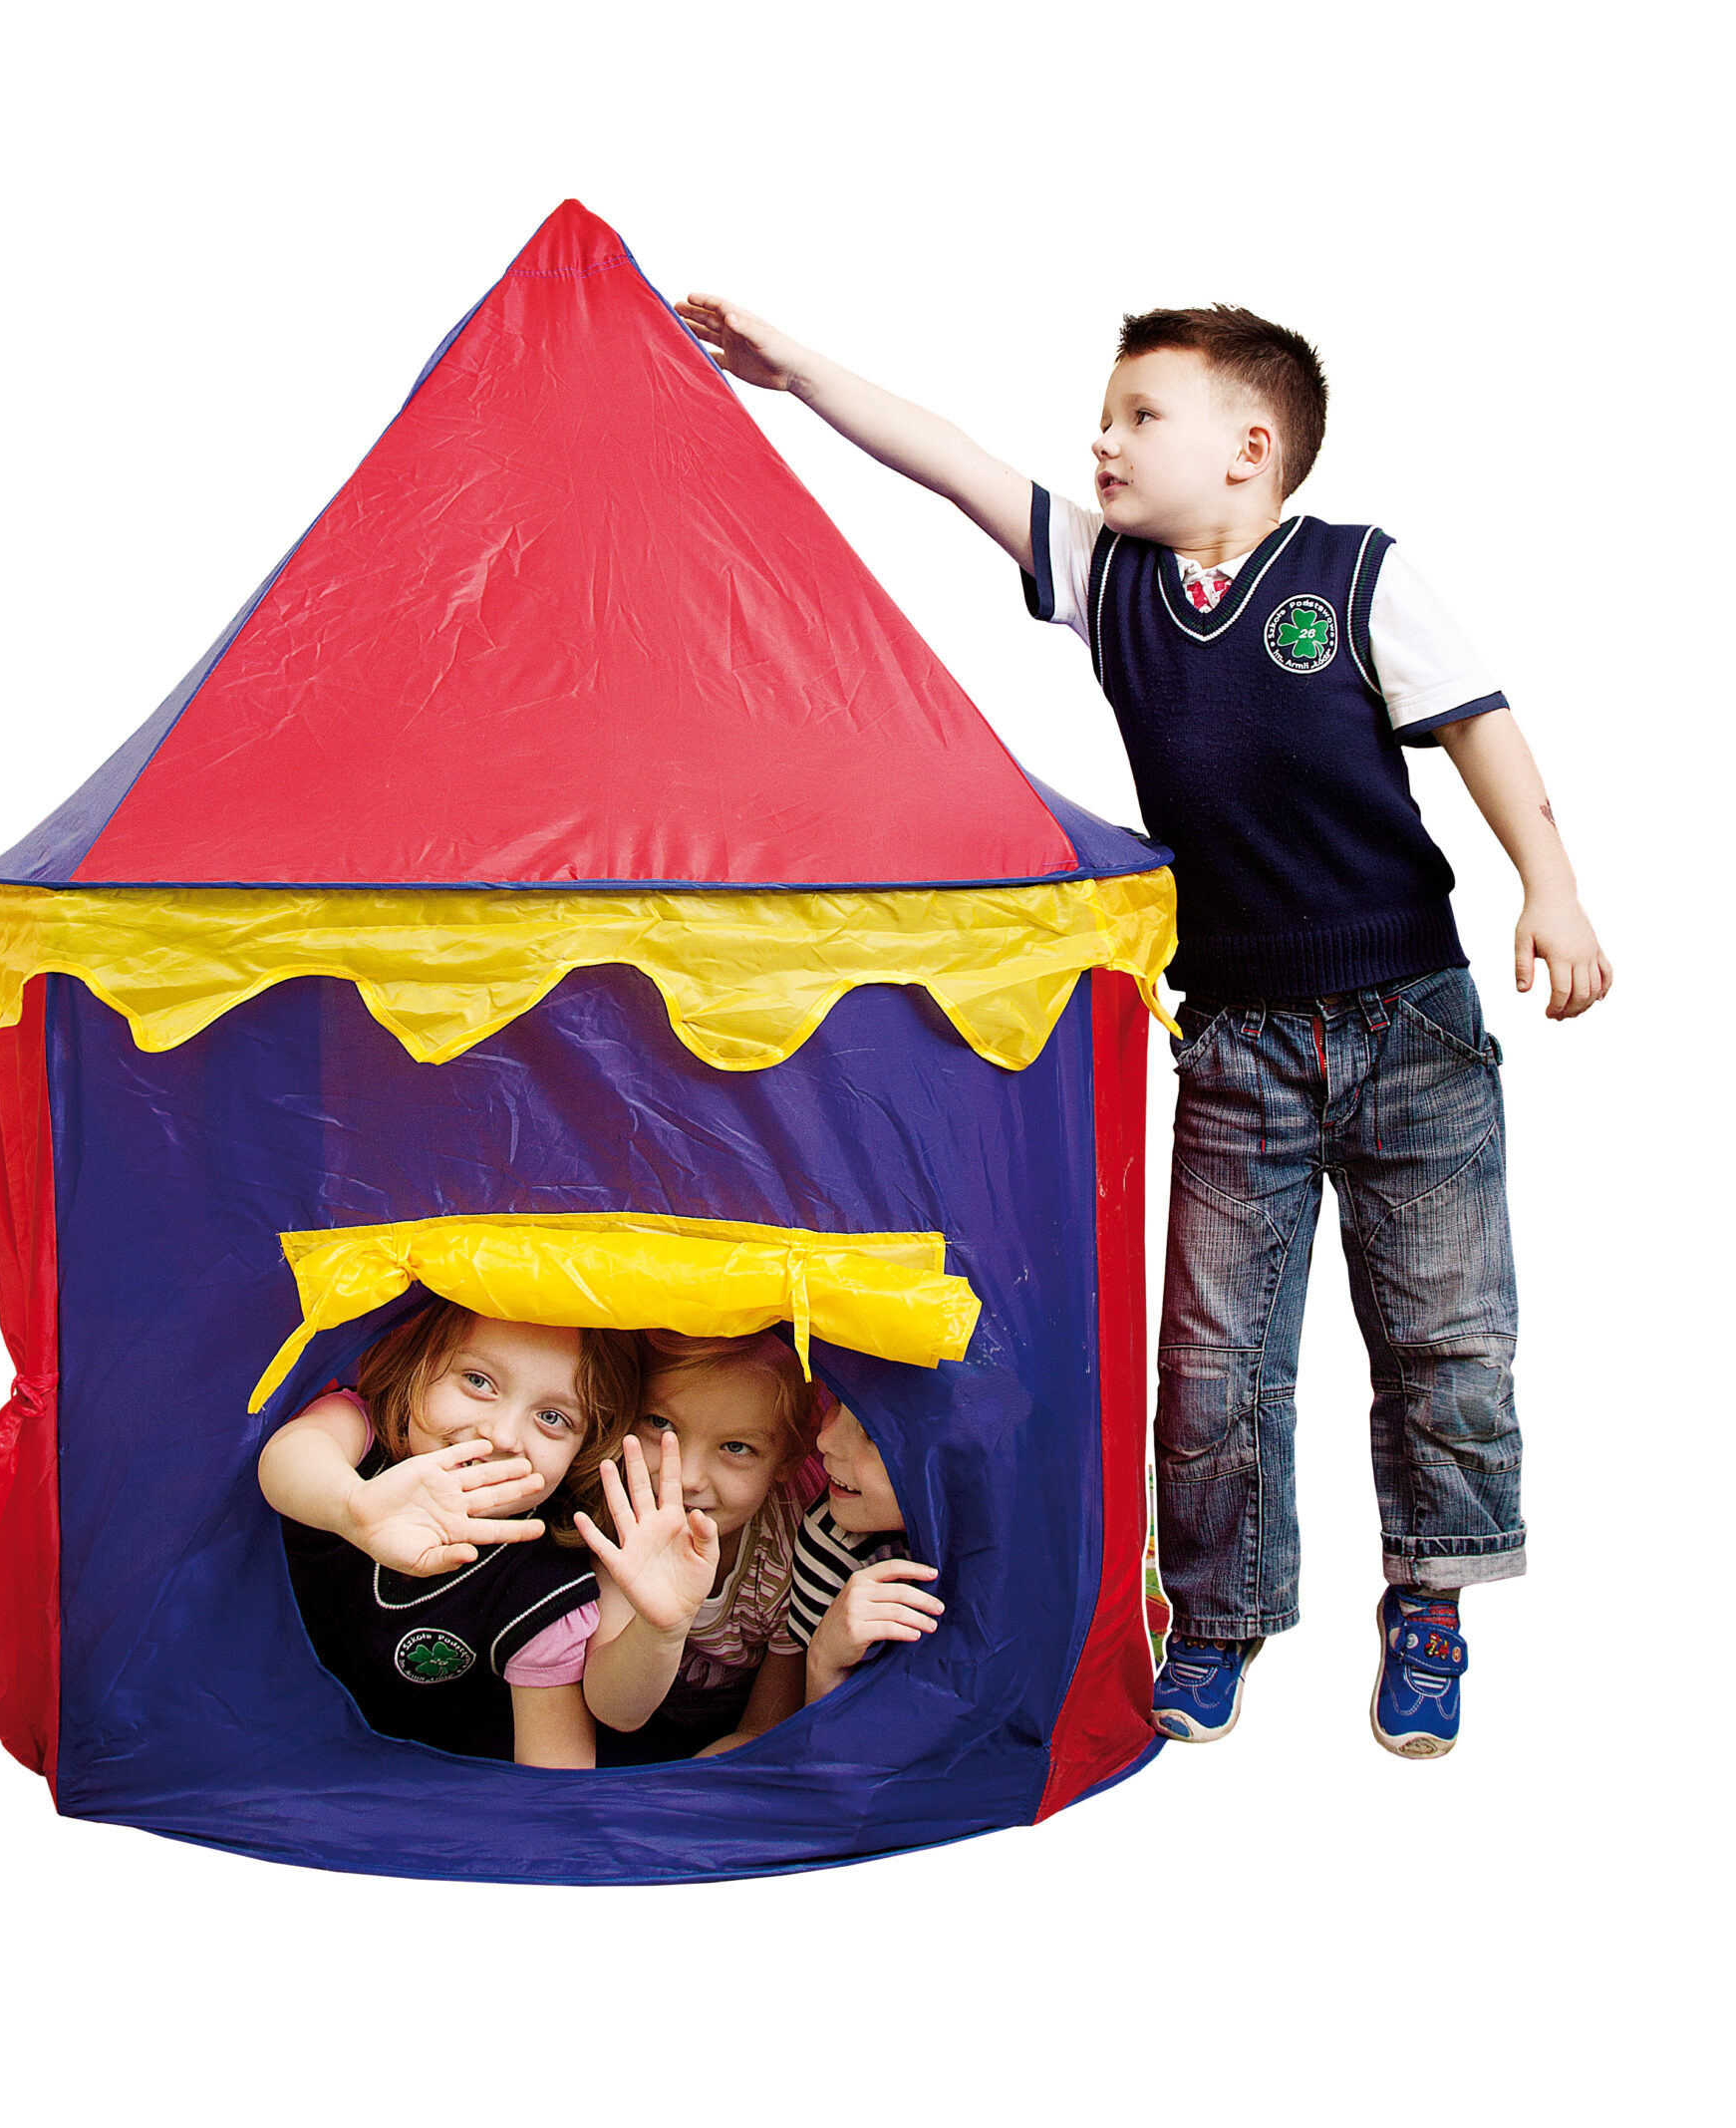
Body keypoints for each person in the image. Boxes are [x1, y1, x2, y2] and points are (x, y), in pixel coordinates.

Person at [676, 289, 1610, 1761]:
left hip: (1411, 1026)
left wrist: (1550, 886)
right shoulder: (1108, 580)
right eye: (1103, 418)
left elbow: (1479, 724)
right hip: (1239, 1042)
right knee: (1215, 1357)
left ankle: (1430, 1599)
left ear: (1250, 448)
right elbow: (949, 459)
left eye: (1138, 416)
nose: (1102, 441)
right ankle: (1222, 1616)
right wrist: (792, 368)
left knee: (1445, 1338)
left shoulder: (1356, 575)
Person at [257, 1303, 637, 1768]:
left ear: (585, 1451)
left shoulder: (544, 1586)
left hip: (413, 1785)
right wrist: (353, 1506)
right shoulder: (359, 1431)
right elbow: (286, 1460)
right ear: (417, 1366)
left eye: (553, 1417)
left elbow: (554, 1771)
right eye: (478, 1381)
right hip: (256, 1722)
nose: (502, 1435)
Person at [573, 1331, 820, 1759]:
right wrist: (660, 1629)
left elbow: (762, 1729)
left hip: (728, 1729)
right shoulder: (619, 1514)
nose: (686, 1477)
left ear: (787, 1460)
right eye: (660, 1424)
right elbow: (615, 1712)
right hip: (632, 1723)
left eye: (736, 1447)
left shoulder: (793, 1554)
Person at [788, 1398, 944, 1704]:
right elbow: (825, 1729)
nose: (824, 1441)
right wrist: (824, 1660)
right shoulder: (833, 1545)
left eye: (872, 1433)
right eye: (837, 1401)